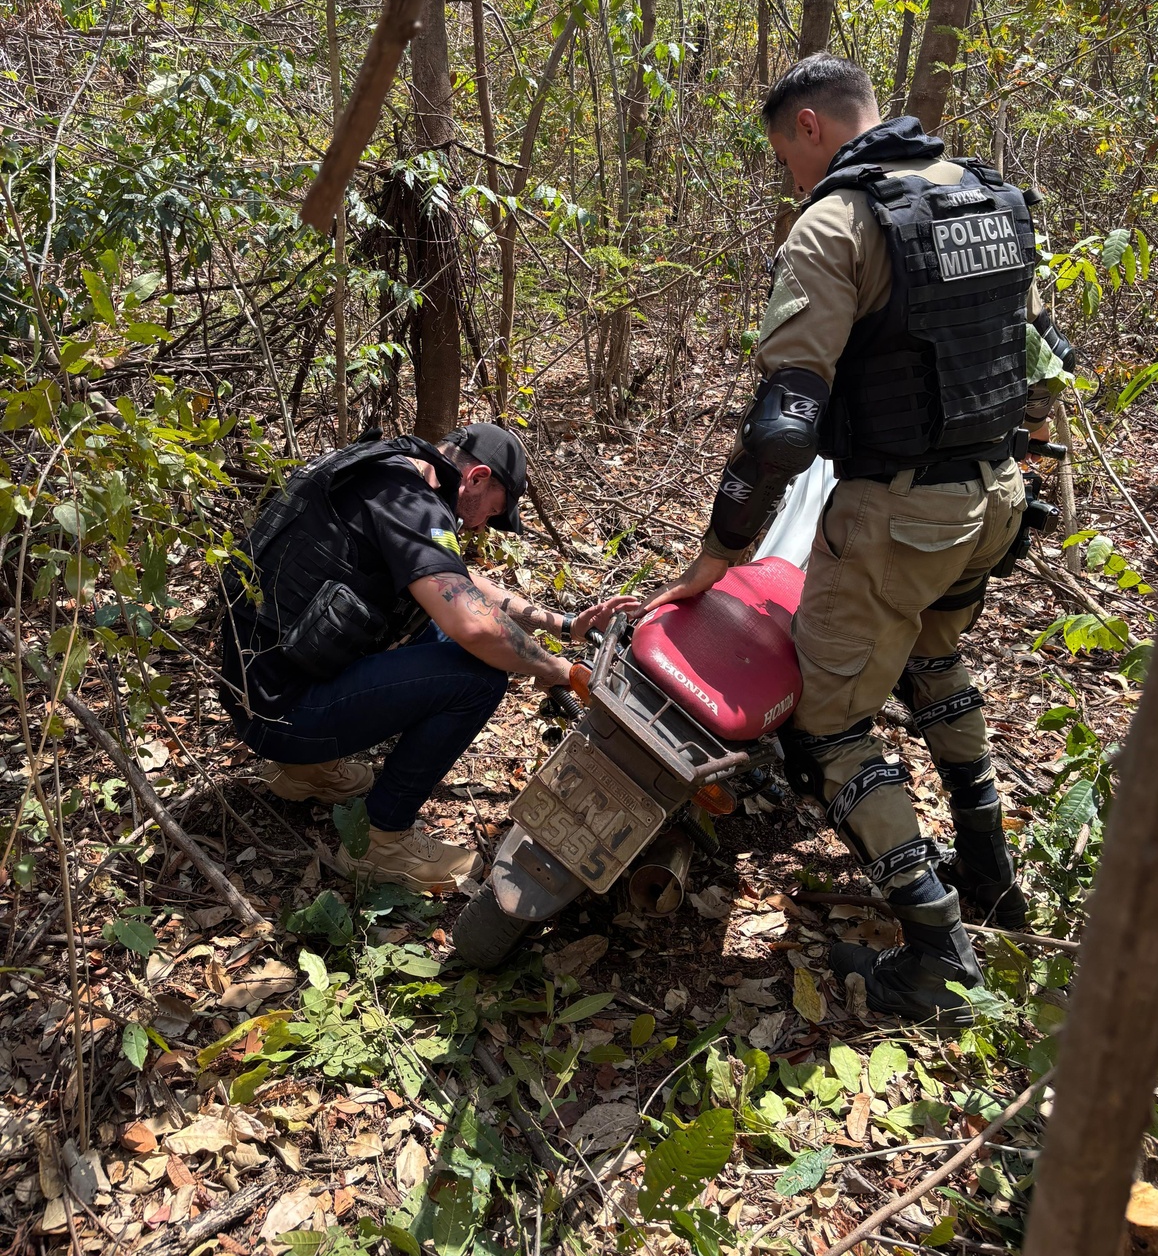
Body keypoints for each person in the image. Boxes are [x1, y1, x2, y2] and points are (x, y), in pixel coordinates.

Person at [640, 55, 1073, 1024]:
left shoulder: (838, 222)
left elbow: (786, 422)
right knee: (935, 661)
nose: (791, 180)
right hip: (994, 495)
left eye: (784, 159)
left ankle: (935, 953)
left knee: (830, 719)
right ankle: (992, 870)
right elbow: (1046, 370)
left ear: (809, 126)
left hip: (899, 514)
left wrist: (719, 551)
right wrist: (1027, 483)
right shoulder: (990, 200)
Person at [220, 422, 634, 890]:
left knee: (438, 627)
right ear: (476, 477)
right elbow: (473, 624)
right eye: (490, 512)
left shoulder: (385, 472)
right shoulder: (412, 499)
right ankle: (382, 842)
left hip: (257, 689)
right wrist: (555, 669)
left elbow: (455, 579)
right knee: (480, 677)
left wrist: (562, 624)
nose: (479, 526)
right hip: (282, 715)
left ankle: (304, 771)